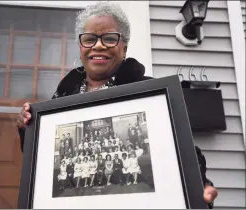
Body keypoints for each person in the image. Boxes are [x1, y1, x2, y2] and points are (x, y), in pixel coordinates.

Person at [16, 2, 217, 207]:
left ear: (124, 47)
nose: (99, 45)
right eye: (89, 39)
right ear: (81, 46)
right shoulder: (61, 97)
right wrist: (28, 128)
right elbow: (41, 162)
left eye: (110, 38)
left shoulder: (151, 95)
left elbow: (185, 152)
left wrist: (199, 185)